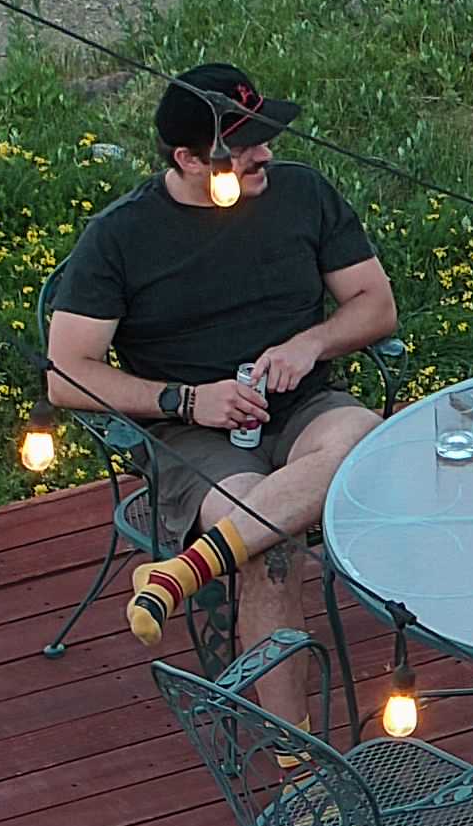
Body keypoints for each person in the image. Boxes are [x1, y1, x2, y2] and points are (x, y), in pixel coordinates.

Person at [43, 63, 399, 730]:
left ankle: (182, 573)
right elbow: (66, 375)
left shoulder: (302, 194)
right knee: (265, 547)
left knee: (364, 441)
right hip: (194, 435)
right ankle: (297, 761)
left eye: (265, 135)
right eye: (241, 147)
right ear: (186, 159)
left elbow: (376, 306)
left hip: (303, 405)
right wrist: (186, 400)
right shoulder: (121, 237)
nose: (263, 154)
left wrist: (311, 344)